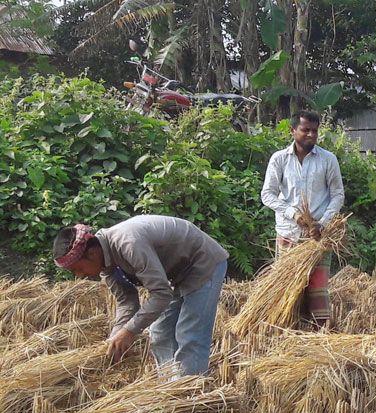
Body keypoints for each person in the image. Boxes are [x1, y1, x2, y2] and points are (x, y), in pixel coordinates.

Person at [52, 216, 228, 376]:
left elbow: (161, 294)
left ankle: (192, 396)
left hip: (202, 263)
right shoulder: (107, 268)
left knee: (189, 335)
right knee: (160, 333)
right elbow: (127, 302)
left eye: (78, 268)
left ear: (91, 253)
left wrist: (129, 331)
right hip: (177, 274)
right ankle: (170, 388)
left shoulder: (128, 244)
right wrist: (116, 337)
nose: (79, 275)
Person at [261, 109, 345, 329]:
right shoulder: (279, 159)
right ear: (292, 131)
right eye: (305, 130)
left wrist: (323, 223)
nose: (311, 135)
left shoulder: (328, 159)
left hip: (317, 238)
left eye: (315, 131)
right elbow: (267, 194)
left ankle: (319, 335)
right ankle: (286, 330)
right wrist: (293, 214)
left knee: (317, 288)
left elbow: (338, 195)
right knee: (287, 288)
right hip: (288, 233)